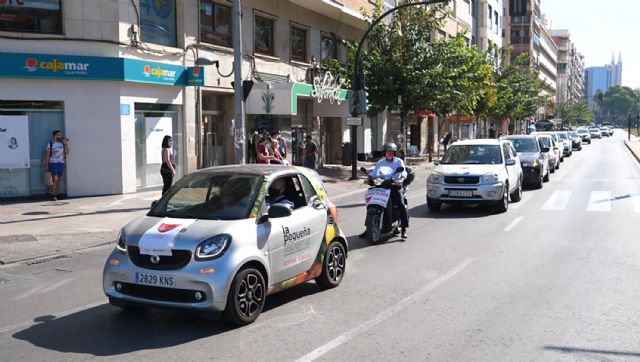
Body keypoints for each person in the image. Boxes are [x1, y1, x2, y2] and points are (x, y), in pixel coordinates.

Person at [359, 142, 409, 239]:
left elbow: (403, 172)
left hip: (395, 186)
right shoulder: (381, 162)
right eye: (387, 152)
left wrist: (401, 179)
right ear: (384, 153)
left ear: (394, 153)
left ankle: (403, 229)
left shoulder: (399, 162)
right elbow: (374, 172)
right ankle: (368, 228)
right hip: (382, 186)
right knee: (371, 204)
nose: (389, 154)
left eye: (391, 152)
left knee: (401, 205)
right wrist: (369, 177)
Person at [43, 130, 69, 201]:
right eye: (59, 135)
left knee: (59, 179)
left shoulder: (62, 144)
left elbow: (66, 152)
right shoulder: (50, 144)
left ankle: (57, 194)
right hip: (53, 163)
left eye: (61, 135)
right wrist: (46, 165)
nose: (60, 136)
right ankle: (53, 194)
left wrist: (65, 144)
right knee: (55, 179)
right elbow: (47, 155)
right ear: (55, 136)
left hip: (61, 163)